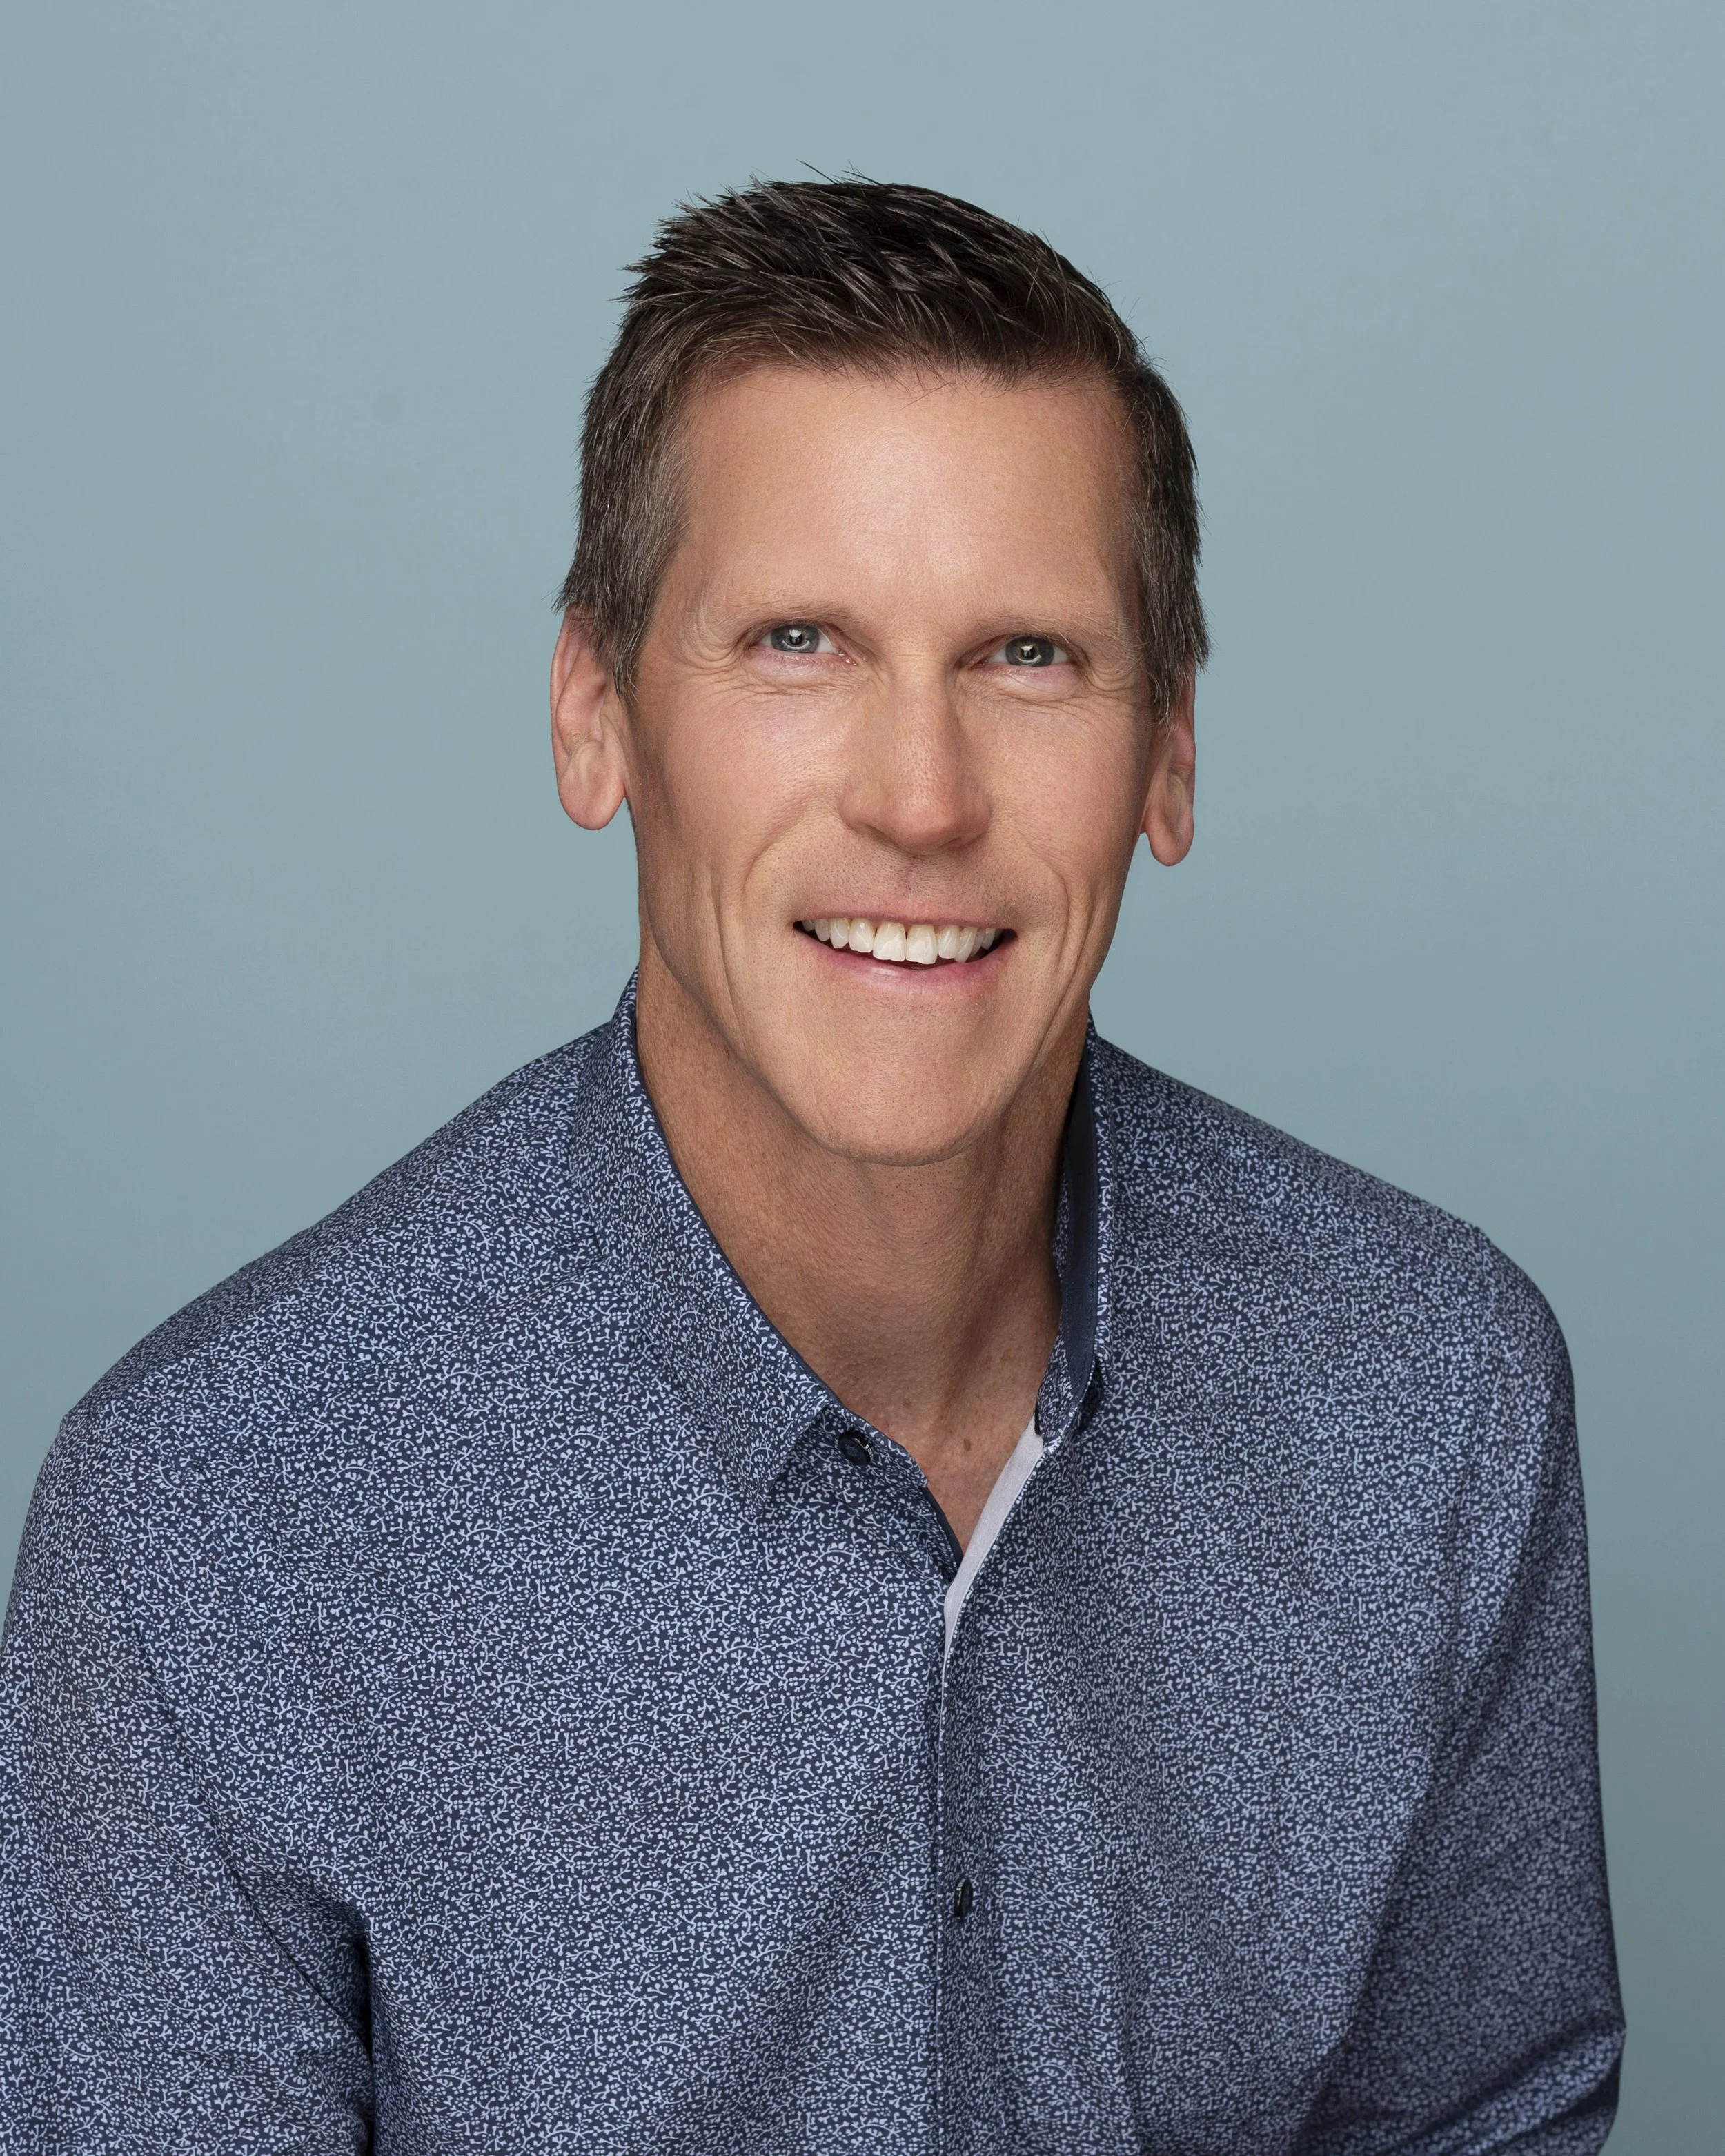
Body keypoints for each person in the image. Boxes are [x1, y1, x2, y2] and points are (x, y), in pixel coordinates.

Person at [0, 179, 1621, 2152]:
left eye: (1026, 654)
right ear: (593, 714)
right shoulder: (212, 1528)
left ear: (1168, 754)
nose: (918, 799)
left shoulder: (1430, 1396)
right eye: (796, 642)